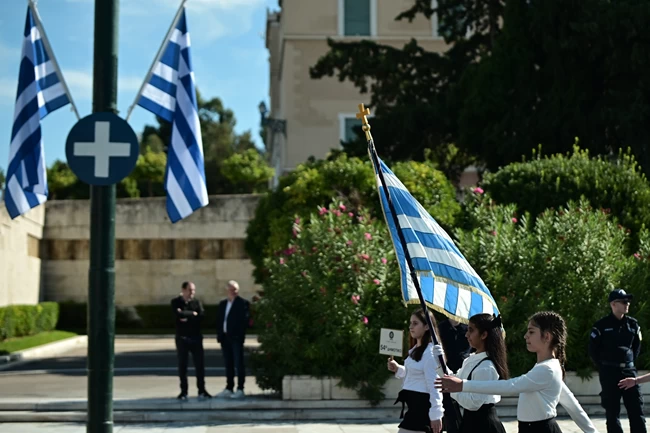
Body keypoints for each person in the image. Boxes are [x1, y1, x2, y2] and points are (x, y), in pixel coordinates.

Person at [436, 311, 599, 433]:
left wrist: (462, 385)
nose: (525, 336)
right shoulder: (547, 367)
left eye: (531, 332)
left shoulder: (547, 369)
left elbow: (511, 386)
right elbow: (572, 405)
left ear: (547, 336)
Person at [434, 313, 509, 433]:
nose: (466, 334)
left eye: (471, 330)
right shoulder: (472, 359)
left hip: (484, 426)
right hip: (471, 422)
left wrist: (452, 389)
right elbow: (455, 379)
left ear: (484, 335)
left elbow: (474, 403)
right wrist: (440, 363)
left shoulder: (486, 367)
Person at [589, 289, 646, 433]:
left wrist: (628, 363)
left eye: (628, 301)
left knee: (636, 410)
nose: (627, 304)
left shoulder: (633, 324)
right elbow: (593, 350)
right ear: (613, 304)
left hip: (629, 372)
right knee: (612, 412)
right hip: (609, 373)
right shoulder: (601, 326)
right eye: (624, 301)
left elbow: (636, 347)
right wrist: (604, 368)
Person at [387, 308, 445, 433]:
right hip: (413, 407)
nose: (410, 327)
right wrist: (398, 369)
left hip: (422, 409)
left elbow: (435, 385)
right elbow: (414, 374)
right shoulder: (416, 350)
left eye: (415, 323)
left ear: (426, 326)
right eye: (410, 323)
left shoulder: (430, 354)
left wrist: (436, 414)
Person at [171, 281, 211, 401]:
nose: (192, 293)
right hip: (182, 338)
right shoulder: (176, 302)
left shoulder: (196, 302)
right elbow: (177, 315)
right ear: (183, 290)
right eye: (189, 290)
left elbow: (201, 316)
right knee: (183, 365)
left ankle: (202, 390)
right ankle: (184, 391)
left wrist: (187, 316)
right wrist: (192, 314)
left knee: (200, 365)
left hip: (196, 337)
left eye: (193, 290)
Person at [215, 280, 250, 399]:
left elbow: (244, 321)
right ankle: (229, 387)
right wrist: (220, 335)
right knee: (228, 364)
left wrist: (237, 334)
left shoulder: (243, 303)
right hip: (225, 338)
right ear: (227, 291)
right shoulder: (223, 304)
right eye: (231, 289)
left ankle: (240, 388)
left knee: (238, 363)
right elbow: (220, 320)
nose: (233, 292)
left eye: (235, 289)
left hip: (236, 338)